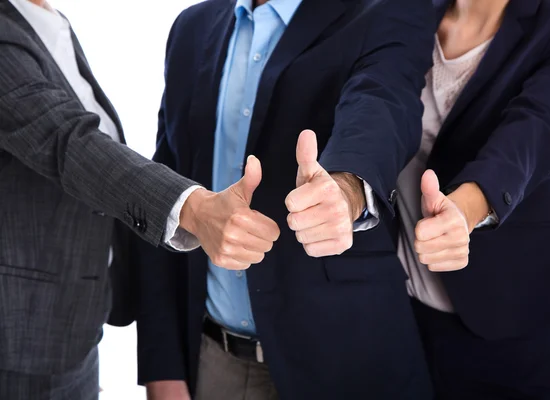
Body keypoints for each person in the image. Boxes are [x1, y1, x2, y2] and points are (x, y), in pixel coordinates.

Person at [135, 0, 436, 399]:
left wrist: (346, 192)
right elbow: (168, 195)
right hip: (212, 363)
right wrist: (163, 369)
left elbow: (383, 106)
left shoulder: (384, 10)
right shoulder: (193, 27)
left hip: (346, 362)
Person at [0, 0, 281, 398]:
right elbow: (68, 143)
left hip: (73, 325)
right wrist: (193, 209)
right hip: (20, 339)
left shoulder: (46, 21)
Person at [394, 0, 550, 399]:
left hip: (514, 320)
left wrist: (466, 211)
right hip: (402, 316)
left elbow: (539, 130)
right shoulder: (403, 13)